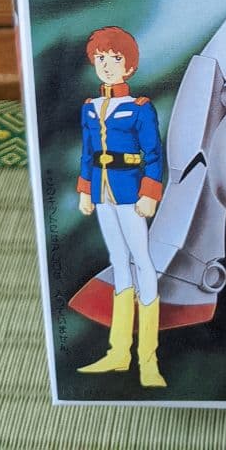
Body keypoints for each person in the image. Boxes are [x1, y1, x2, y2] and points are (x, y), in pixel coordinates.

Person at [75, 26, 166, 388]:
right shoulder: (90, 109)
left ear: (129, 66)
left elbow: (153, 153)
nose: (107, 64)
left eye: (115, 58)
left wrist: (150, 193)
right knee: (118, 263)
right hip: (102, 191)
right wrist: (85, 190)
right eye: (101, 58)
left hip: (130, 190)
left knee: (142, 261)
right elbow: (87, 153)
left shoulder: (139, 108)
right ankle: (118, 353)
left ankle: (149, 361)